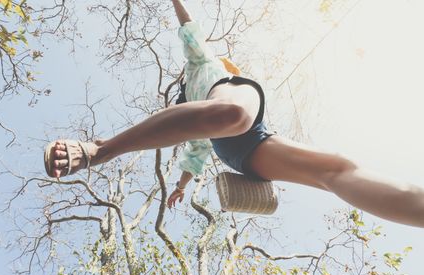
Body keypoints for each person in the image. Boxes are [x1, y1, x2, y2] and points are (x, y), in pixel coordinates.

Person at [44, 0, 424, 228]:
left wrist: (179, 187)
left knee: (335, 169)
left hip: (248, 137)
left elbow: (194, 157)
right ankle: (102, 148)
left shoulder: (210, 97)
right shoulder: (202, 64)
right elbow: (189, 27)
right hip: (230, 137)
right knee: (226, 115)